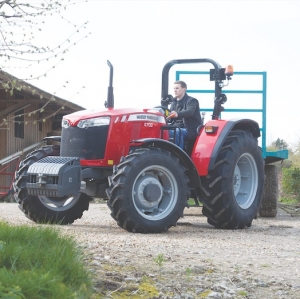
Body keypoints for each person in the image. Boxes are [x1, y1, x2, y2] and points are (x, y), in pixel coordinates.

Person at [167, 80, 202, 151]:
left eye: (177, 88)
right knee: (160, 130)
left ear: (184, 89)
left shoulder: (192, 101)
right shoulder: (173, 102)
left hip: (189, 129)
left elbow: (189, 112)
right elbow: (169, 115)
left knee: (176, 132)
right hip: (175, 126)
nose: (175, 90)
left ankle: (178, 155)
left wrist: (177, 114)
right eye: (174, 88)